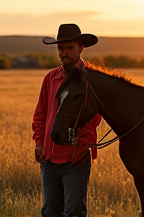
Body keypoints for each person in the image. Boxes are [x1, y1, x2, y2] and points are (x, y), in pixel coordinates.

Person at [32, 23, 102, 217]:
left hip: (75, 159)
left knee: (74, 213)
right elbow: (40, 115)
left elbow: (94, 118)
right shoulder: (50, 78)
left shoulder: (90, 79)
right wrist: (39, 143)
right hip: (49, 159)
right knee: (50, 212)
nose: (64, 53)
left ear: (81, 48)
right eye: (60, 49)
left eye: (69, 48)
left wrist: (82, 144)